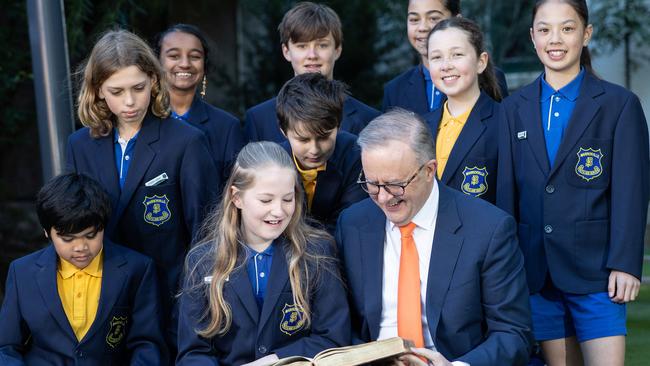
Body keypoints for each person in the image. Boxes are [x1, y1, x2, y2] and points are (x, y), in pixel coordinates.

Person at [496, 1, 649, 365]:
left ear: (586, 33)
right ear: (532, 37)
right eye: (545, 29)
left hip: (598, 275)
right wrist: (506, 268)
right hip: (536, 273)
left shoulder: (619, 104)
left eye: (567, 28)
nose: (556, 39)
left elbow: (632, 190)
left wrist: (626, 263)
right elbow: (506, 197)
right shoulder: (512, 108)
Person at [66, 29, 219, 357]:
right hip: (103, 302)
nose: (130, 101)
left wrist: (193, 305)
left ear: (154, 79)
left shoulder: (186, 142)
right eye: (116, 91)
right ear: (98, 91)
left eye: (138, 88)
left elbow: (205, 234)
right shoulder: (80, 145)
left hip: (169, 298)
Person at [336, 109, 532, 365]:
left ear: (429, 170)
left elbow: (513, 334)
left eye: (396, 184)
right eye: (372, 183)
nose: (383, 198)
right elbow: (339, 324)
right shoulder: (352, 224)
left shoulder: (488, 229)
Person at [176, 142, 350, 366]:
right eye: (266, 200)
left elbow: (333, 337)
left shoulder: (316, 252)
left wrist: (272, 361)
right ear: (237, 198)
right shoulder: (203, 260)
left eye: (288, 199)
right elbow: (193, 352)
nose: (278, 210)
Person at [0, 173, 166, 364]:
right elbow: (6, 347)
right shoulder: (22, 272)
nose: (80, 247)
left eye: (90, 235)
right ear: (47, 232)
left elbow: (147, 344)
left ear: (103, 226)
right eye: (67, 239)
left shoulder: (137, 269)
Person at [244, 1, 379, 143]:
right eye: (302, 46)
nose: (312, 55)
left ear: (337, 50)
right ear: (286, 52)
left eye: (322, 45)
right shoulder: (258, 119)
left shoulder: (369, 119)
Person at [422, 17, 503, 204]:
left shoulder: (504, 121)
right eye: (436, 57)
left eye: (457, 55)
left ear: (481, 62)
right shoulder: (421, 126)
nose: (446, 65)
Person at [382, 0, 508, 116]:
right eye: (414, 19)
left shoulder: (492, 78)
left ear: (457, 20)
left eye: (433, 18)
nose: (422, 28)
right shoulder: (394, 90)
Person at [276, 72, 367, 232]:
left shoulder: (356, 155)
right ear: (284, 131)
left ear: (338, 125)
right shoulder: (272, 162)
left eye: (324, 137)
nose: (314, 150)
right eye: (303, 140)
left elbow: (350, 222)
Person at [156, 23, 245, 186]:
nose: (185, 63)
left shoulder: (227, 127)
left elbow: (236, 189)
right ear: (157, 62)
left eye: (195, 56)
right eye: (174, 56)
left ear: (204, 65)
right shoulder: (143, 122)